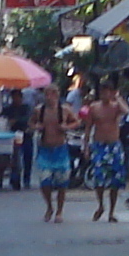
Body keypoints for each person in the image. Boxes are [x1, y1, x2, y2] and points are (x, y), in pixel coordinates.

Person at [84, 81, 129, 221]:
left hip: (114, 146)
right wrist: (86, 147)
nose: (105, 95)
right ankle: (101, 205)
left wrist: (118, 98)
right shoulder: (94, 107)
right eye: (103, 92)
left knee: (115, 180)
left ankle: (111, 211)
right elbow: (88, 128)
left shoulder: (116, 106)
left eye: (108, 92)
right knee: (99, 178)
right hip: (99, 145)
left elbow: (126, 111)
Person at [36, 76, 75, 222]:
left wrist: (67, 127)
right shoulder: (39, 110)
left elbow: (76, 121)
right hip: (45, 150)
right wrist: (37, 127)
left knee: (62, 184)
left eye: (52, 94)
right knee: (44, 181)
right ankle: (49, 206)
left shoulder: (64, 110)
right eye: (47, 94)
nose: (49, 97)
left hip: (61, 150)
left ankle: (59, 211)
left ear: (57, 95)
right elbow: (32, 123)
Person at [0, 84, 34, 189]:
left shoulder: (26, 108)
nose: (16, 100)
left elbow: (28, 119)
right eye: (14, 98)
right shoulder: (7, 109)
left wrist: (16, 120)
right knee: (14, 158)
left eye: (18, 97)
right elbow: (2, 118)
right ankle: (14, 178)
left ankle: (27, 179)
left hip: (26, 135)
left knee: (27, 157)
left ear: (21, 98)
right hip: (12, 136)